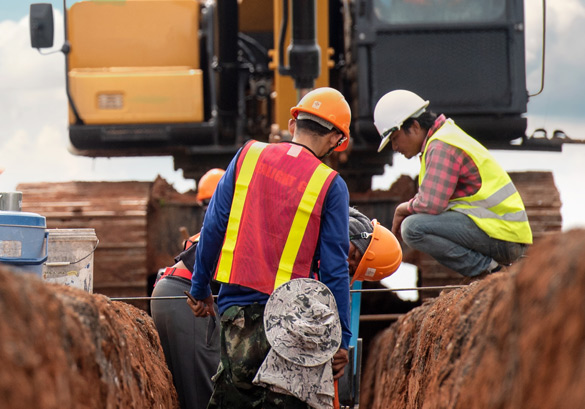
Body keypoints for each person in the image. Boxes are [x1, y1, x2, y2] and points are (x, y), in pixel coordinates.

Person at [186, 87, 353, 409]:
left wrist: (200, 286)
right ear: (335, 139)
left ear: (294, 125)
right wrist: (341, 340)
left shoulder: (248, 155)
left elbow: (214, 225)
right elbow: (335, 268)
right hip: (297, 322)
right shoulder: (330, 184)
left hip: (239, 312)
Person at [373, 89, 532, 279]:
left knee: (412, 228)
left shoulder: (440, 146)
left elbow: (431, 205)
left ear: (414, 126)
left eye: (395, 138)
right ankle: (490, 270)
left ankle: (490, 272)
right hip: (503, 233)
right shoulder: (444, 137)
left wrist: (402, 208)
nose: (395, 147)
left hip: (503, 236)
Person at [150, 168, 225, 409]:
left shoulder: (213, 228)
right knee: (203, 393)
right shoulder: (232, 227)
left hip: (168, 292)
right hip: (185, 296)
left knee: (181, 392)